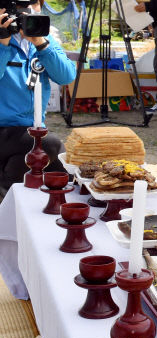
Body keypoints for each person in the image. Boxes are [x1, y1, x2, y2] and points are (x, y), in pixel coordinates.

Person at [0, 1, 76, 195]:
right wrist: (3, 44)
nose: (25, 10)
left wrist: (41, 44)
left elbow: (66, 76)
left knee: (62, 168)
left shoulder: (43, 38)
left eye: (32, 2)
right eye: (18, 5)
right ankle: (9, 191)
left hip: (30, 129)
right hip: (4, 128)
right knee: (49, 145)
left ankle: (13, 187)